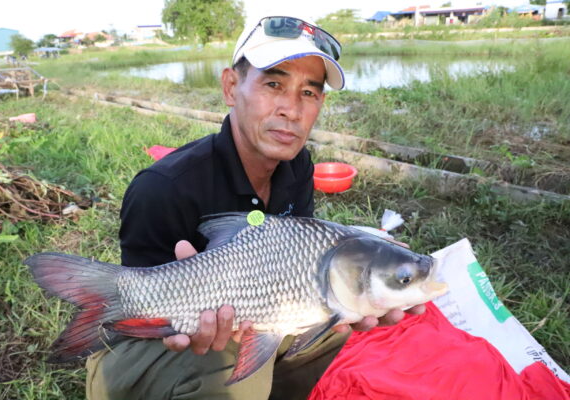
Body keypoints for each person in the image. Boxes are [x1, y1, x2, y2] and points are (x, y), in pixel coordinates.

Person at [86, 13, 424, 400]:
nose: (291, 110)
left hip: (252, 318)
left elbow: (298, 258)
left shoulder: (297, 166)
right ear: (231, 87)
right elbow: (135, 316)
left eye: (309, 93)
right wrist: (190, 315)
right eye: (274, 84)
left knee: (333, 321)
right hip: (146, 345)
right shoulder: (161, 188)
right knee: (226, 366)